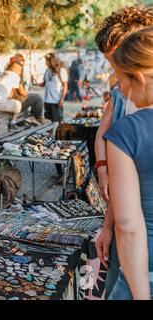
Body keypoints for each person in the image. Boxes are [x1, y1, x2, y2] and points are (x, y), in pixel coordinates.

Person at [93, 6, 153, 299]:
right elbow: (103, 131)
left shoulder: (132, 124)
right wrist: (104, 165)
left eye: (120, 68)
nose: (118, 81)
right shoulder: (122, 92)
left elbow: (131, 229)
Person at [0, 54, 24, 134]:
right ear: (16, 69)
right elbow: (11, 94)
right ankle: (13, 123)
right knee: (18, 104)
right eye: (20, 70)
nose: (20, 73)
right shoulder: (15, 76)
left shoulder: (2, 74)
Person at [33, 52, 68, 128]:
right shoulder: (47, 71)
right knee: (49, 121)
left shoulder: (61, 71)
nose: (46, 63)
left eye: (47, 61)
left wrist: (62, 99)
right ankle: (50, 135)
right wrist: (35, 83)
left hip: (56, 100)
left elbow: (65, 86)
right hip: (47, 100)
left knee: (60, 120)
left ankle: (61, 135)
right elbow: (44, 83)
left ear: (52, 61)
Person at [10, 53, 45, 124]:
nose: (22, 64)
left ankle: (32, 117)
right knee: (37, 98)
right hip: (9, 105)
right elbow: (22, 92)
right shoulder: (15, 76)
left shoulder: (4, 75)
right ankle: (37, 118)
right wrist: (26, 95)